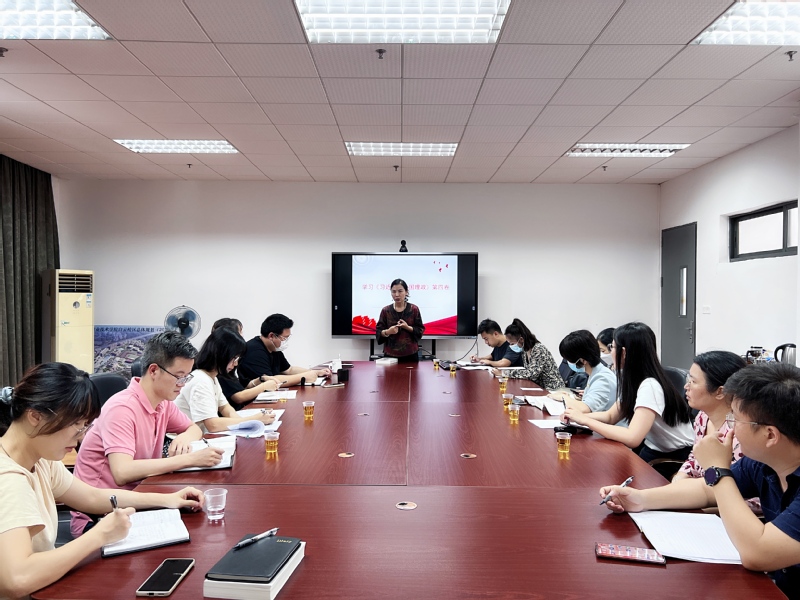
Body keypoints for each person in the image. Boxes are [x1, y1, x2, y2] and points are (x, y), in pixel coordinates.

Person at [0, 363, 205, 599]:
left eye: (84, 427)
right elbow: (16, 579)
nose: (81, 438)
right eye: (76, 427)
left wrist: (168, 499)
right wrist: (99, 535)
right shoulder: (8, 479)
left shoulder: (40, 460)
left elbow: (91, 496)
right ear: (35, 416)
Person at [599, 364, 800, 598]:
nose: (730, 429)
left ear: (770, 435)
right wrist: (640, 499)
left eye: (735, 420)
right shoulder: (762, 463)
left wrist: (718, 469)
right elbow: (706, 490)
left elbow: (758, 554)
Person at [71, 331, 223, 537]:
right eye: (179, 377)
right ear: (154, 370)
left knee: (200, 525)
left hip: (139, 498)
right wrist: (189, 459)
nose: (183, 384)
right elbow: (122, 472)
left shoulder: (163, 403)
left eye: (186, 377)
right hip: (100, 517)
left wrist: (184, 437)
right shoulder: (122, 408)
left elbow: (193, 428)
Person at [562, 322, 693, 462]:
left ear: (623, 352)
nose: (610, 352)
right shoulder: (633, 381)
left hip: (674, 458)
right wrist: (576, 417)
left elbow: (632, 438)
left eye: (612, 347)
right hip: (653, 449)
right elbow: (610, 416)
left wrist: (585, 420)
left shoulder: (650, 386)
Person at [175, 327, 277, 433]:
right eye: (234, 358)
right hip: (187, 439)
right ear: (221, 355)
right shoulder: (200, 380)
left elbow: (226, 409)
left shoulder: (212, 378)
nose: (236, 364)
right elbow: (213, 425)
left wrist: (246, 423)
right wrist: (254, 420)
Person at [238, 314, 330, 386]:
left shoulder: (274, 348)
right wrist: (303, 377)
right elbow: (271, 380)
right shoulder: (254, 351)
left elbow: (289, 370)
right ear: (271, 336)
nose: (285, 341)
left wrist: (314, 372)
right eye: (284, 338)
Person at [492, 318, 564, 390]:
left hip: (553, 389)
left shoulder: (538, 349)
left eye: (512, 343)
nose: (511, 346)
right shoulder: (525, 351)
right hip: (538, 387)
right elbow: (527, 372)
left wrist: (504, 373)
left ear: (521, 339)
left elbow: (531, 375)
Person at [557, 329, 616, 413]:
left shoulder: (603, 378)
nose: (568, 363)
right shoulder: (595, 373)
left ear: (583, 361)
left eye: (569, 360)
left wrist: (563, 397)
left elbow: (585, 409)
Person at [375, 279, 425, 362]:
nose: (397, 295)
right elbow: (378, 332)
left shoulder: (414, 309)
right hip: (390, 355)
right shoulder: (386, 310)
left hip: (410, 355)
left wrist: (407, 327)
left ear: (406, 292)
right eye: (393, 292)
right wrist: (388, 332)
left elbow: (420, 330)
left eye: (400, 291)